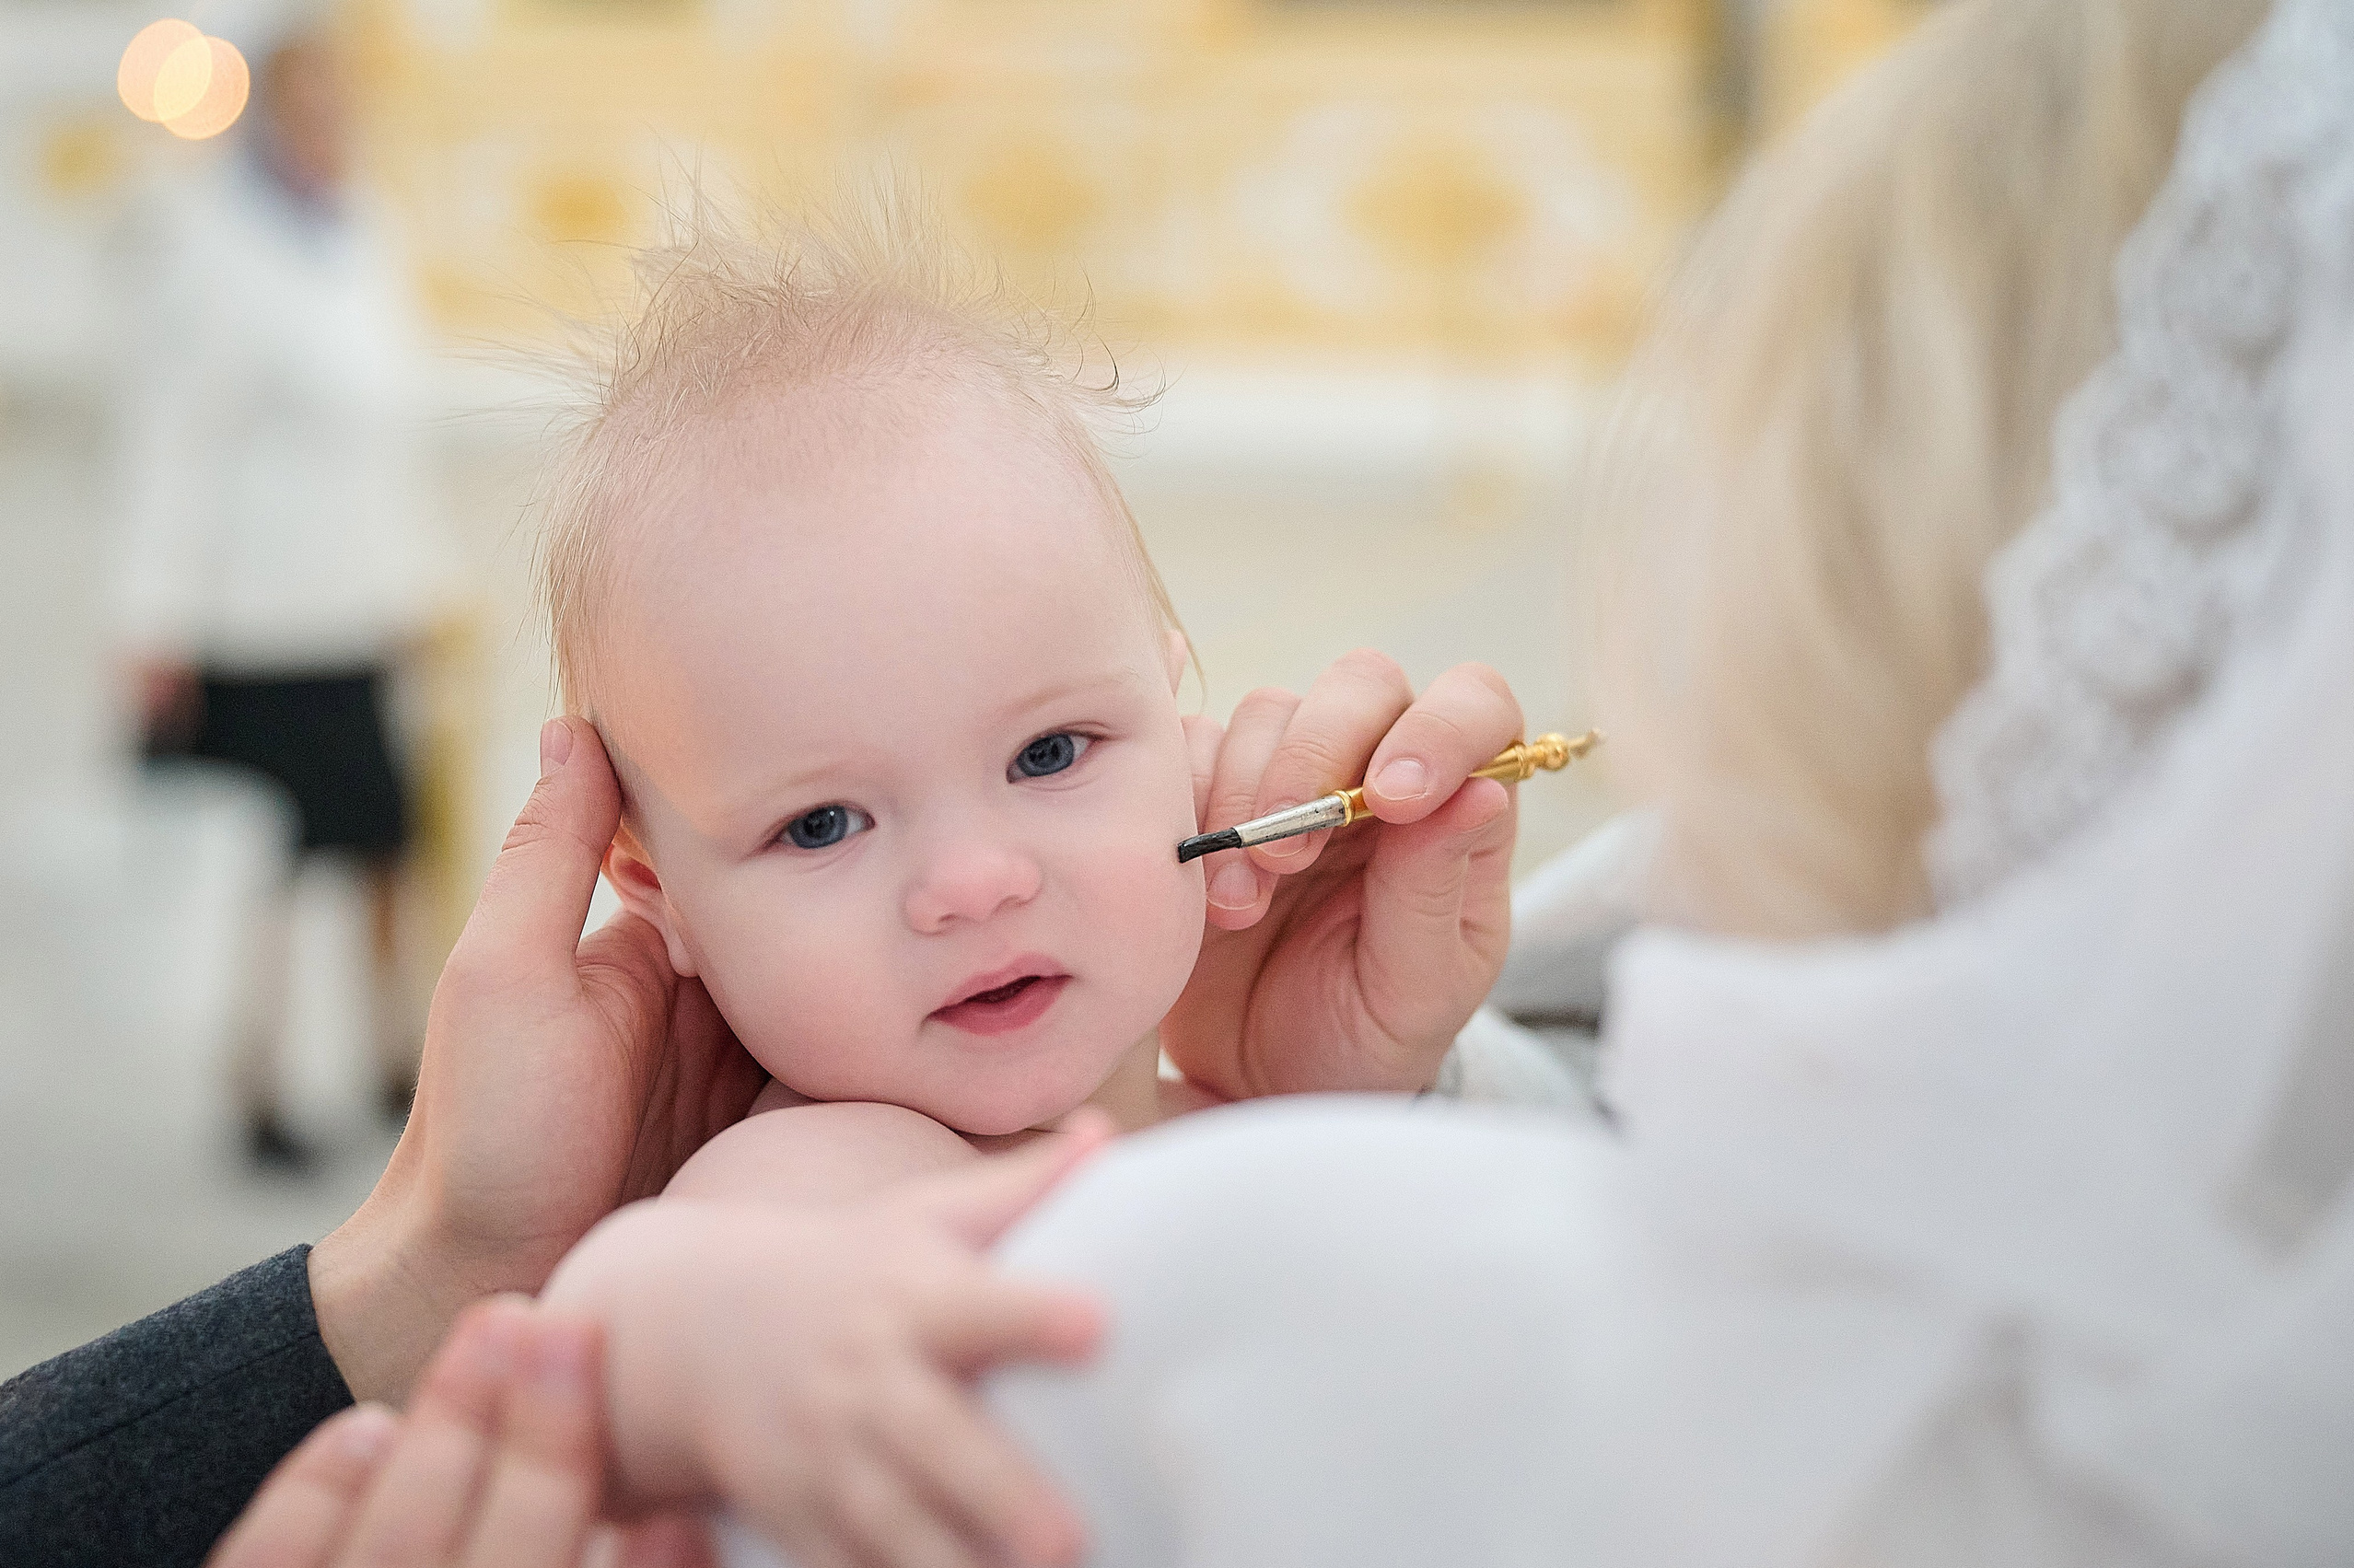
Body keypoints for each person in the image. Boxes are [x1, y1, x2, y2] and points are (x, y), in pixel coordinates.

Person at [402, 0, 2339, 1562]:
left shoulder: (1238, 1091)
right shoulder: (835, 1169)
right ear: (648, 884)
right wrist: (705, 1350)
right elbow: (636, 1297)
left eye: (1056, 751)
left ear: (1185, 714)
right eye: (827, 821)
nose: (974, 875)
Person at [117, 28, 449, 1166]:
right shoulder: (212, 242)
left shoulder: (364, 232)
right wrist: (153, 618)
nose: (329, 123)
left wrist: (413, 588)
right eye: (309, 102)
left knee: (381, 847)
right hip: (249, 623)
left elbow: (385, 437)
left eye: (341, 101)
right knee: (257, 874)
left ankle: (395, 1058)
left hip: (350, 604)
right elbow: (175, 444)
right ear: (268, 110)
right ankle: (253, 1080)